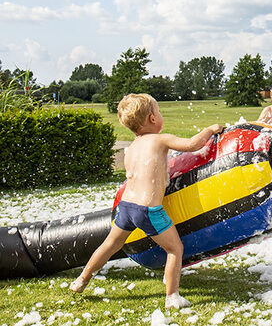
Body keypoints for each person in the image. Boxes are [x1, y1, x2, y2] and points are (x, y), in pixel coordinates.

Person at [70, 93, 224, 309]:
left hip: (126, 207)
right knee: (174, 249)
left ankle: (81, 280)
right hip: (148, 210)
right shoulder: (160, 139)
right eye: (159, 112)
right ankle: (172, 296)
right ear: (152, 118)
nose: (160, 115)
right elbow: (192, 145)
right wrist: (210, 130)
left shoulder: (132, 148)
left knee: (110, 244)